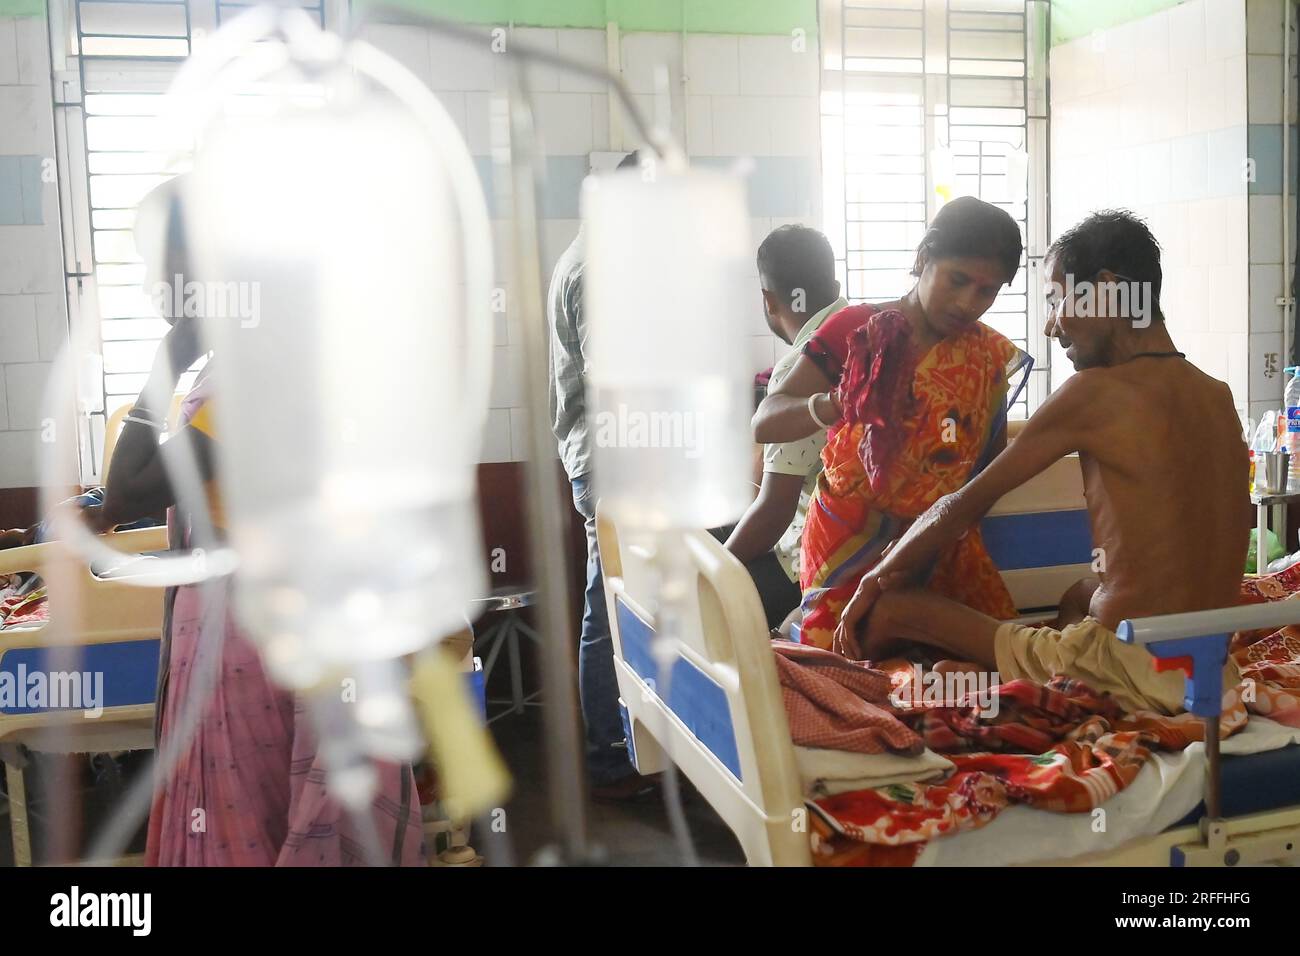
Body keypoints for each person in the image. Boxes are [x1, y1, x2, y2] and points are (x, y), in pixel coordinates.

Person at [99, 179, 423, 864]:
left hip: (246, 642)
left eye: (158, 261)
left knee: (239, 830)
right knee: (276, 819)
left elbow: (125, 485)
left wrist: (171, 354)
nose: (152, 283)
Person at [837, 209, 1250, 716]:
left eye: (1056, 301)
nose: (1052, 326)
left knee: (889, 611)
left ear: (1106, 289)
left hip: (1127, 672)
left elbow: (960, 507)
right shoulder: (1218, 395)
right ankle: (1017, 669)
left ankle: (1007, 677)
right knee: (1080, 595)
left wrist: (872, 580)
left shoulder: (1094, 393)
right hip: (1212, 674)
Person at [753, 196, 1031, 650]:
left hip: (938, 548)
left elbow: (986, 471)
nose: (968, 303)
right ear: (923, 259)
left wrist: (929, 539)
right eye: (957, 280)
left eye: (987, 290)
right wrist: (839, 402)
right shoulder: (859, 329)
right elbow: (766, 421)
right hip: (849, 545)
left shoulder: (986, 358)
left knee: (975, 673)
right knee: (842, 664)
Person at [547, 151, 649, 799]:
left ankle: (635, 747)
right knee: (609, 608)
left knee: (618, 604)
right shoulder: (598, 270)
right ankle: (612, 757)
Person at [722, 225, 846, 630]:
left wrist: (710, 574)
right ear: (835, 284)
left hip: (814, 567)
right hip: (875, 549)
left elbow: (775, 512)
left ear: (768, 301)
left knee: (704, 608)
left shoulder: (799, 370)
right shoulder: (866, 332)